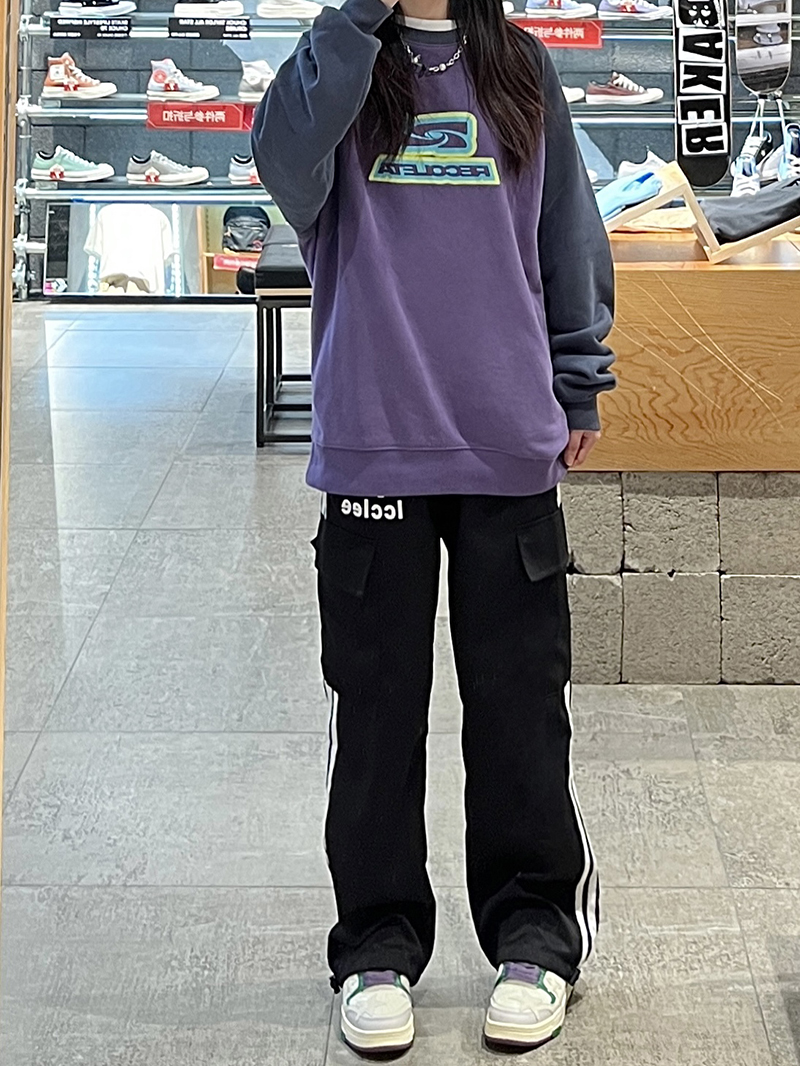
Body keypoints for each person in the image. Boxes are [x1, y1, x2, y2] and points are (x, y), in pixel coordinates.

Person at [252, 0, 616, 1053]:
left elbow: (565, 230)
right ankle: (375, 944)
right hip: (375, 440)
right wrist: (354, 22)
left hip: (505, 440)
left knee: (520, 711)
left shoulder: (520, 67)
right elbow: (282, 166)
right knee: (373, 718)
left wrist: (578, 377)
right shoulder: (336, 65)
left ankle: (536, 936)